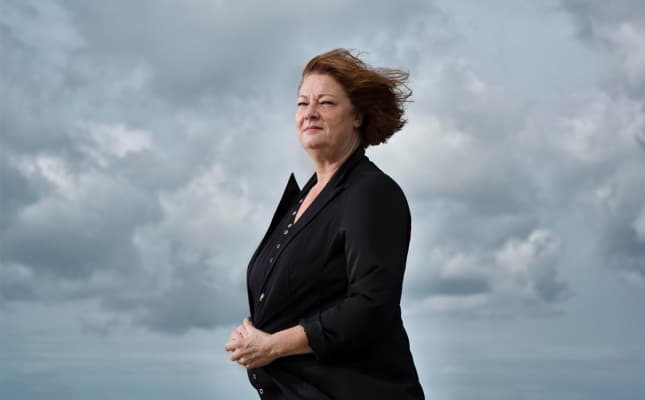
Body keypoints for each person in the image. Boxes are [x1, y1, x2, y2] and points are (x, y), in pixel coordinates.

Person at [224, 48, 425, 399]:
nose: (310, 113)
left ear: (357, 116)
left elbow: (371, 307)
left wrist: (272, 345)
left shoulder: (371, 193)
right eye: (302, 103)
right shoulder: (303, 198)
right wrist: (252, 335)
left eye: (326, 103)